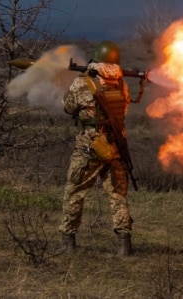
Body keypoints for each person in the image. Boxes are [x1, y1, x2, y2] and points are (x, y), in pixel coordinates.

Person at [58, 40, 142, 256]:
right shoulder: (121, 83)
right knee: (118, 196)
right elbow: (124, 108)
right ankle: (124, 244)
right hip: (115, 145)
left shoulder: (84, 81)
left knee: (75, 192)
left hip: (90, 145)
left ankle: (68, 242)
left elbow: (68, 107)